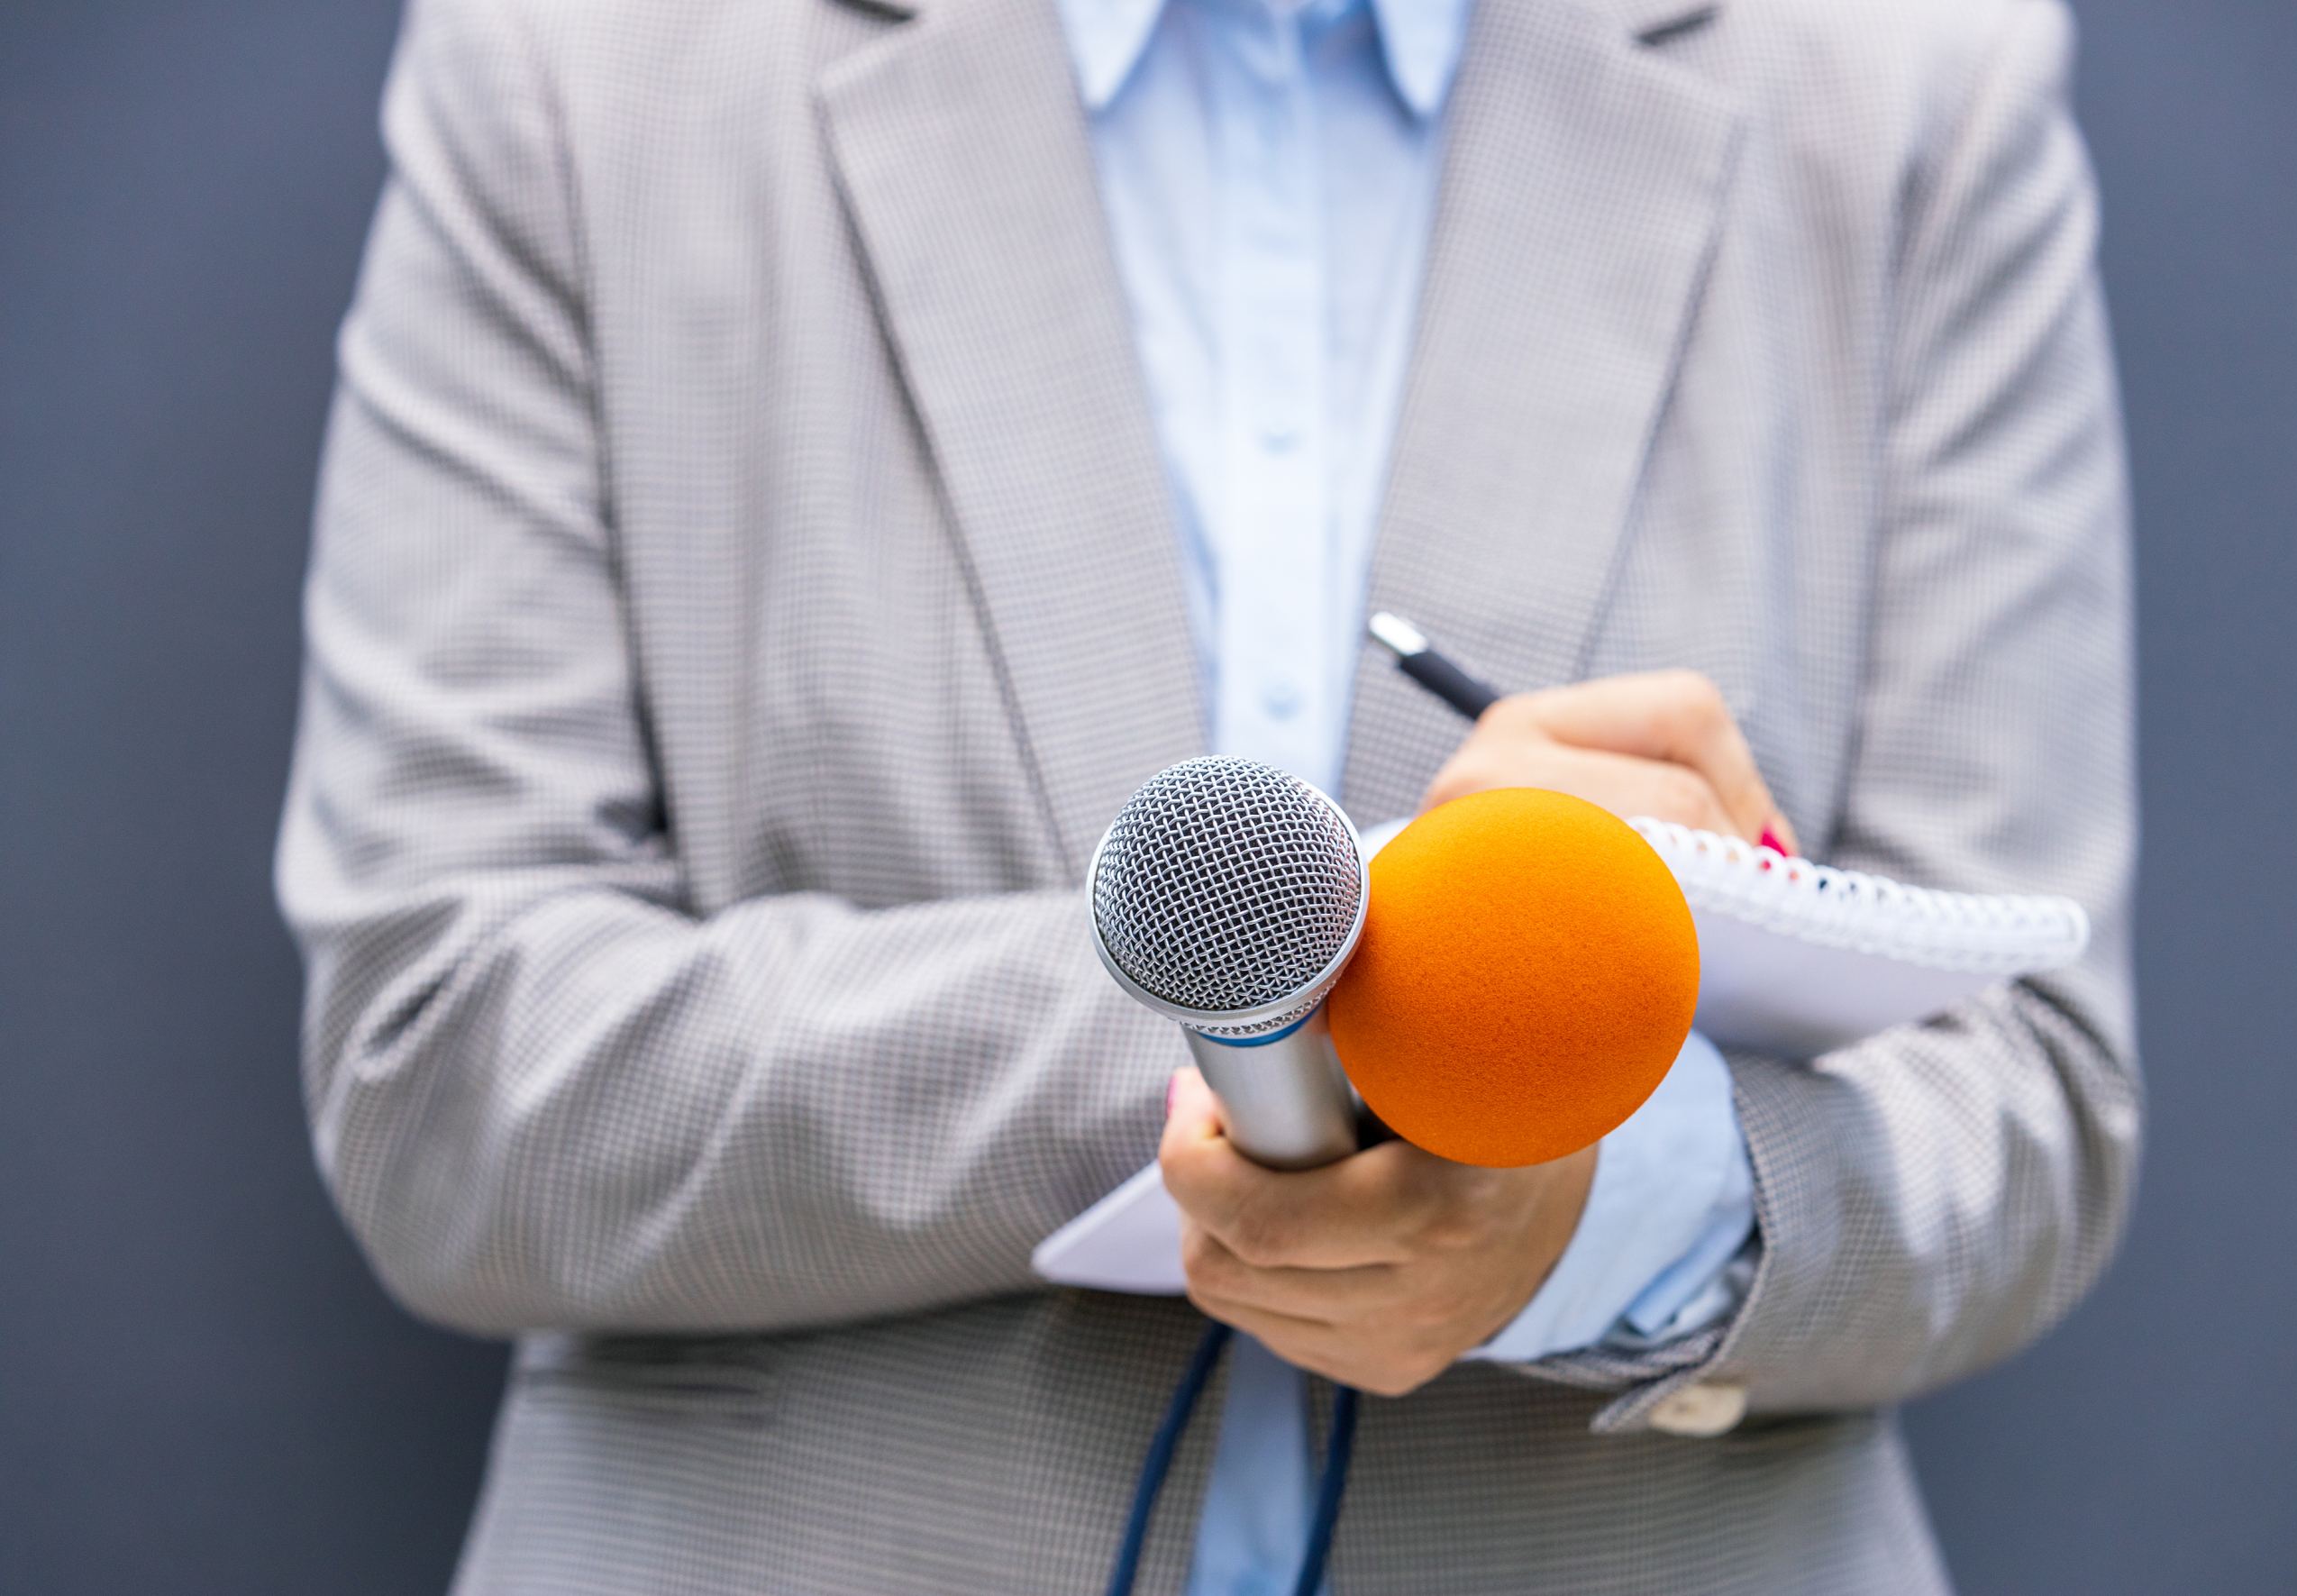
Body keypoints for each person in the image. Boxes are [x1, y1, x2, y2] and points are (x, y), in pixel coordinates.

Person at [276, 0, 2138, 1587]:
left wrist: (1592, 1209)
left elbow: (2028, 1090)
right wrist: (1379, 982)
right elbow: (440, 1067)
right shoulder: (581, 69)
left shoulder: (1908, 81)